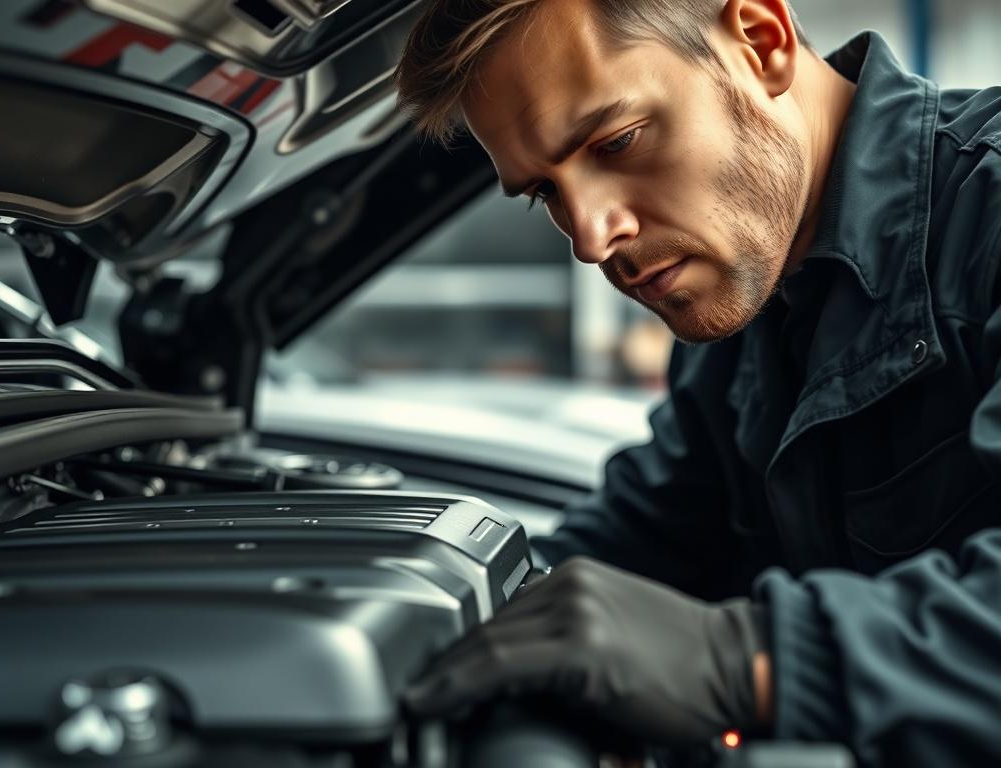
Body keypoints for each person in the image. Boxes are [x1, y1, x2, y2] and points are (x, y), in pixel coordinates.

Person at [395, 0, 1001, 764]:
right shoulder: (749, 302)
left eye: (616, 141)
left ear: (760, 40)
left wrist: (740, 660)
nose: (589, 235)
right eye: (546, 192)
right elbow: (644, 537)